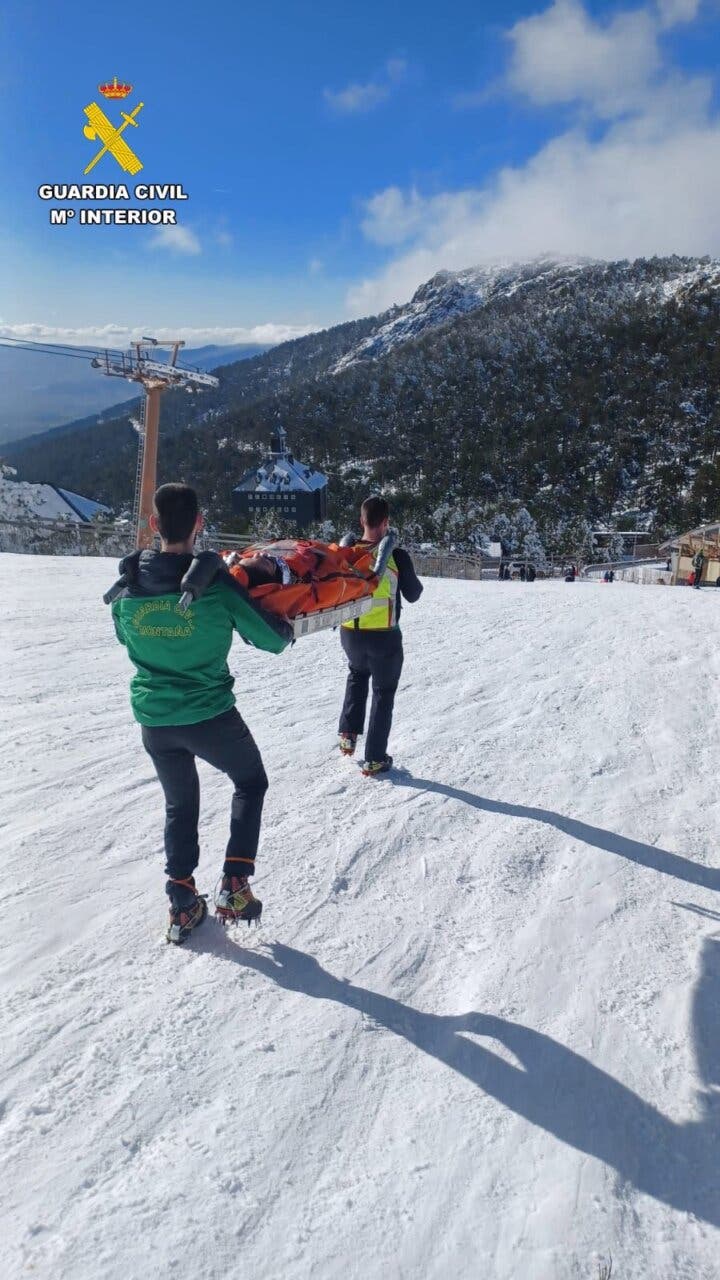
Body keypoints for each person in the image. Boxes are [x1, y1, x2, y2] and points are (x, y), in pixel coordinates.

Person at [109, 483, 292, 944]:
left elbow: (125, 640)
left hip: (155, 721)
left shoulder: (126, 592)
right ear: (199, 524)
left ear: (155, 525)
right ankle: (234, 883)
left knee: (180, 803)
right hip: (210, 716)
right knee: (250, 782)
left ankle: (183, 902)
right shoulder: (214, 587)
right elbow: (271, 640)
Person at [337, 496, 423, 776]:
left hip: (350, 633)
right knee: (383, 694)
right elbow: (413, 594)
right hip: (384, 636)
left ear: (362, 521)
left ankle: (348, 735)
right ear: (386, 522)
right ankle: (374, 758)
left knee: (357, 674)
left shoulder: (347, 552)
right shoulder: (395, 556)